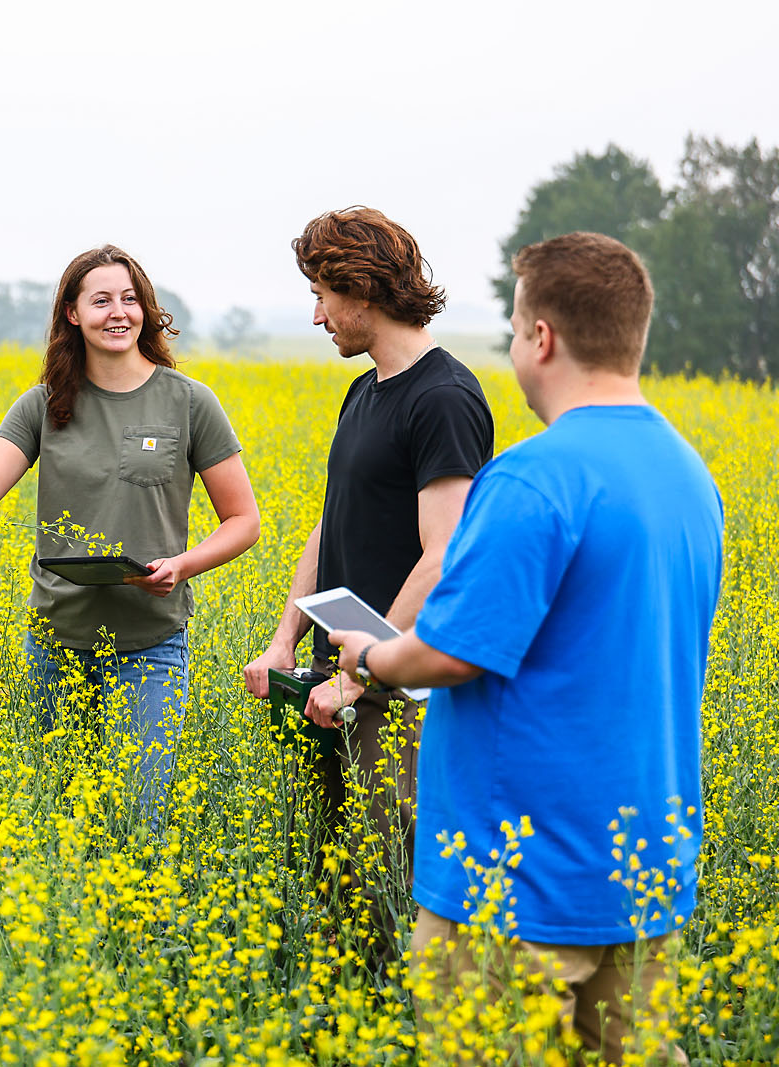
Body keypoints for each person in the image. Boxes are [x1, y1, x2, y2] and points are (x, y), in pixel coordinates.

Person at [327, 232, 722, 1063]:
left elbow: (449, 652)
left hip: (516, 879)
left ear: (541, 337)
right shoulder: (690, 476)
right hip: (642, 867)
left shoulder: (535, 478)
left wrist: (367, 657)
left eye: (512, 327)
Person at [0, 245, 259, 825]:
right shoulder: (43, 405)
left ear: (145, 309)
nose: (119, 313)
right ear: (72, 314)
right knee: (52, 818)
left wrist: (182, 566)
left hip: (150, 644)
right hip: (56, 643)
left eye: (130, 299)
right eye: (101, 301)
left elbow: (244, 522)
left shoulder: (189, 403)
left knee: (137, 819)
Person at [241, 207, 493, 906]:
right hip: (336, 675)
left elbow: (443, 555)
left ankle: (396, 1014)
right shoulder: (364, 391)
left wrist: (366, 671)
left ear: (363, 289)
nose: (318, 315)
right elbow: (331, 527)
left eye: (323, 295)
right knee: (330, 886)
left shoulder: (442, 398)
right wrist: (284, 640)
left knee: (385, 884)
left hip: (397, 687)